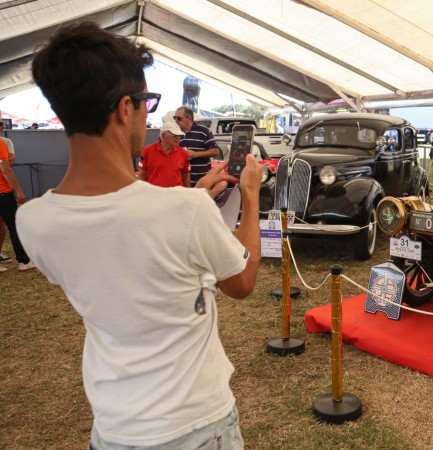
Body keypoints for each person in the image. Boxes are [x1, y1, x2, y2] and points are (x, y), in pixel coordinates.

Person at [19, 22, 262, 448]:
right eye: (147, 103)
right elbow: (241, 283)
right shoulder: (184, 211)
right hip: (196, 423)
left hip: (113, 428)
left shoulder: (32, 221)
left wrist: (193, 198)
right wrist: (251, 196)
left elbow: (121, 244)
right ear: (124, 109)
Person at [0, 132, 34, 273]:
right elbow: (5, 168)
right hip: (3, 193)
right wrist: (19, 190)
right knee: (14, 226)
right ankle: (23, 261)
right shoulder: (1, 143)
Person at [173, 106, 220, 186]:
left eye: (179, 118)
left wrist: (196, 154)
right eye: (175, 118)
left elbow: (215, 151)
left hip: (200, 181)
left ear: (189, 118)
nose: (176, 121)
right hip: (181, 182)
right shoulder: (175, 133)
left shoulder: (203, 131)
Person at [138, 121, 190, 187]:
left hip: (176, 193)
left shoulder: (184, 153)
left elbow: (186, 176)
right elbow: (141, 174)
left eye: (179, 135)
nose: (178, 138)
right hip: (154, 192)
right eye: (174, 135)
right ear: (163, 135)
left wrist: (187, 192)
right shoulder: (147, 151)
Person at [0, 120, 15, 264]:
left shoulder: (5, 141)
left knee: (2, 224)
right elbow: (6, 166)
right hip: (4, 190)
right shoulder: (3, 143)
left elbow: (10, 162)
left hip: (4, 188)